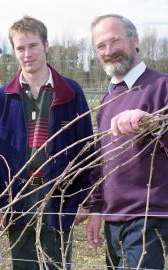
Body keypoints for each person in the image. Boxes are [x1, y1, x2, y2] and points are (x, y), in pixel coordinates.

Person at [0, 16, 93, 269]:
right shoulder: (3, 98)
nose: (27, 54)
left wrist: (82, 199)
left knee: (57, 264)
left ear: (46, 45)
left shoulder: (71, 91)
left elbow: (85, 148)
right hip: (20, 198)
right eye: (20, 48)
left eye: (33, 45)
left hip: (58, 197)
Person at [86, 14, 168, 269]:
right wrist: (97, 209)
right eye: (101, 46)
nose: (108, 51)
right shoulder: (108, 100)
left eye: (115, 41)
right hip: (114, 219)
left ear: (135, 40)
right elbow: (102, 161)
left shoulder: (161, 87)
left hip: (149, 218)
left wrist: (155, 123)